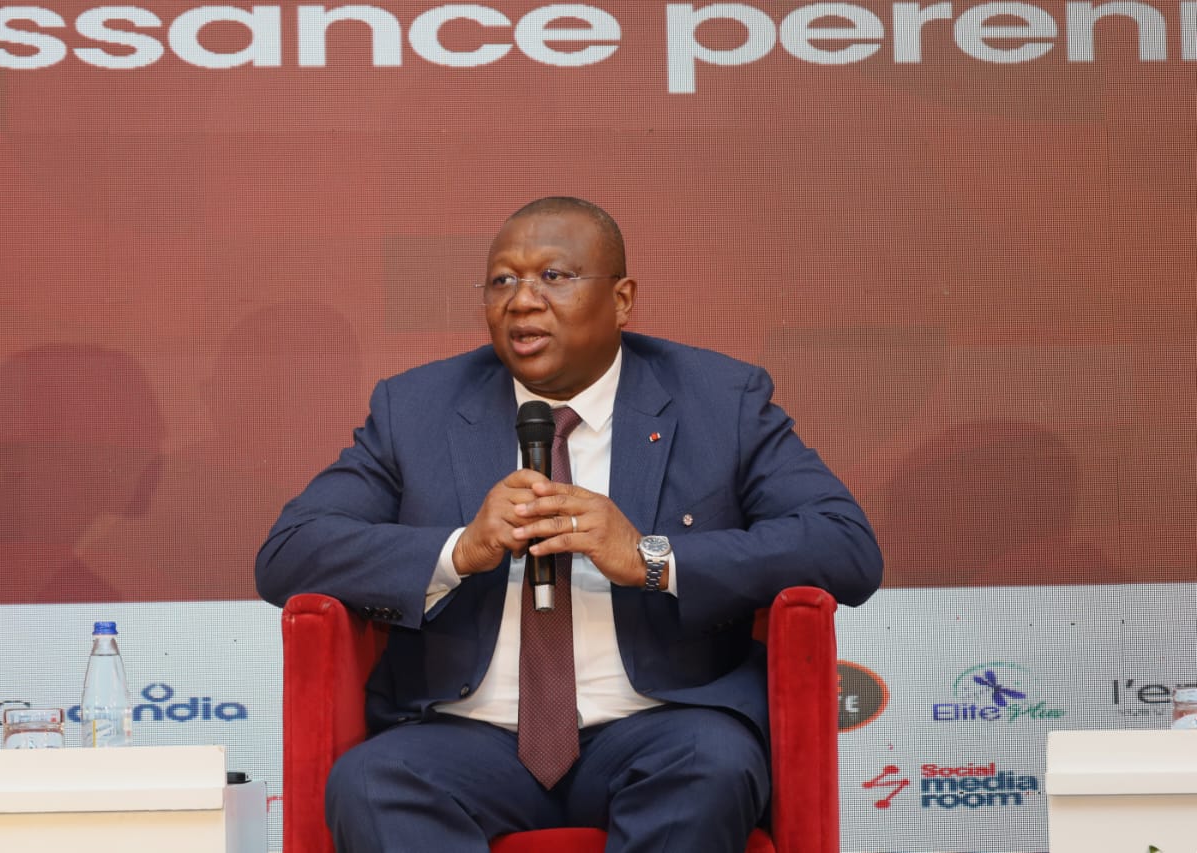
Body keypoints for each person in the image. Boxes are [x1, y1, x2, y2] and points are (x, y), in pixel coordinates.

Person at [256, 196, 883, 852]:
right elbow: (289, 552)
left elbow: (844, 546)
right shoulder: (416, 408)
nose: (521, 301)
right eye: (502, 280)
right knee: (370, 782)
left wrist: (650, 558)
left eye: (553, 277)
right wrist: (459, 550)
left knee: (713, 764)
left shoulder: (721, 400)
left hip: (663, 726)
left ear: (622, 299)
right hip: (467, 739)